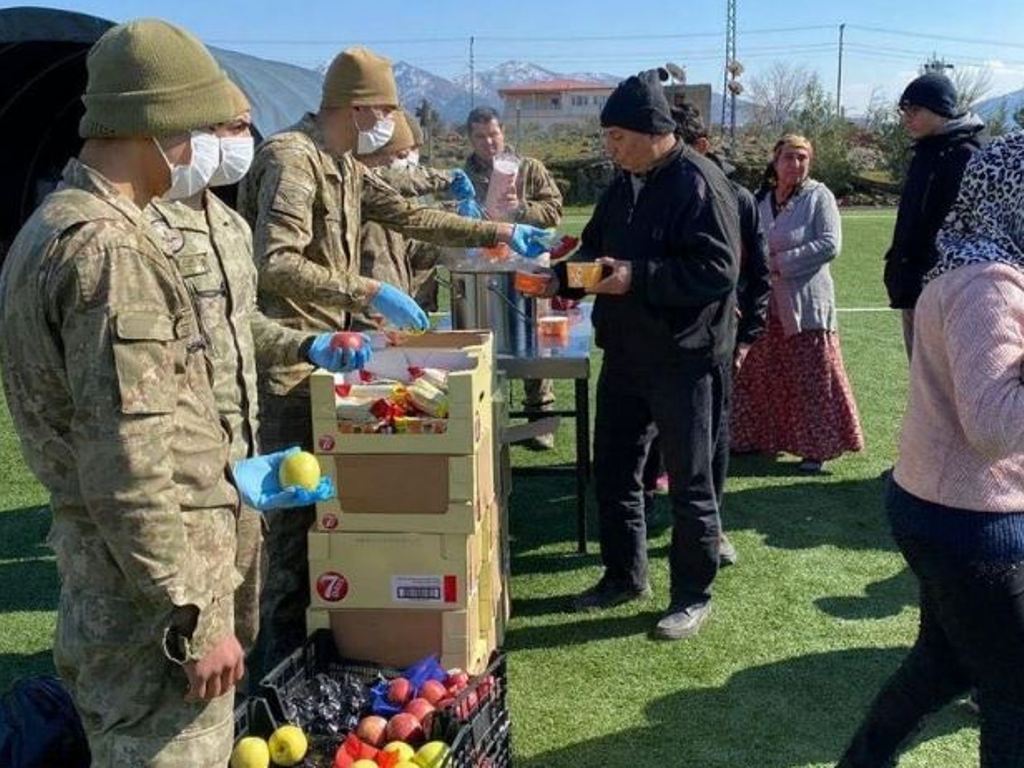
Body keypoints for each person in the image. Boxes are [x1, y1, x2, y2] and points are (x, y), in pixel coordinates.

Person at [0, 20, 322, 766]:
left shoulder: (56, 225)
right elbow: (128, 462)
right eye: (199, 128)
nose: (207, 147)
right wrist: (193, 616)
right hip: (150, 609)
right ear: (156, 124)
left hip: (116, 583)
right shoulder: (113, 253)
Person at [236, 46, 551, 672]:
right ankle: (273, 671)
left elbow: (409, 215)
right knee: (289, 542)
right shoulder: (293, 159)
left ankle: (320, 657)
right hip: (286, 365)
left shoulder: (342, 163)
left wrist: (498, 231)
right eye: (384, 112)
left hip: (330, 361)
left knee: (330, 520)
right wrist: (367, 291)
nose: (390, 124)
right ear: (358, 109)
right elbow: (274, 262)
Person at [144, 81, 367, 672]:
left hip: (238, 442)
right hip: (182, 465)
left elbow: (240, 323)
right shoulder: (142, 232)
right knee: (187, 640)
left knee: (255, 582)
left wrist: (309, 344)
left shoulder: (226, 224)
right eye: (233, 128)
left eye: (246, 126)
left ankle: (268, 679)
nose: (245, 141)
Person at [522, 69, 741, 640]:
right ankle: (623, 576)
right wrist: (559, 280)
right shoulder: (624, 184)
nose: (610, 147)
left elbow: (718, 270)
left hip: (684, 360)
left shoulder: (700, 182)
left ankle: (692, 596)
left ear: (651, 131)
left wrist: (638, 277)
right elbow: (596, 252)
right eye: (608, 137)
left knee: (690, 484)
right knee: (615, 471)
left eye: (617, 136)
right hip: (624, 353)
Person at [838, 132, 1024, 768]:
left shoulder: (976, 268)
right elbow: (995, 425)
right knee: (1014, 693)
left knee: (941, 665)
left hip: (944, 505)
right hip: (969, 517)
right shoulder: (986, 284)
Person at [729, 135, 863, 474]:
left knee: (813, 378)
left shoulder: (819, 197)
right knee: (758, 374)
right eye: (789, 157)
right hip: (764, 303)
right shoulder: (761, 199)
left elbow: (829, 244)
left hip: (805, 304)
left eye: (802, 157)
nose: (796, 164)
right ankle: (751, 438)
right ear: (775, 161)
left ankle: (817, 448)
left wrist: (777, 263)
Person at [463, 106, 564, 450]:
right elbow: (452, 218)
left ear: (502, 132)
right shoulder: (464, 175)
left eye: (493, 134)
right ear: (470, 138)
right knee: (482, 340)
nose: (488, 142)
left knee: (533, 336)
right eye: (480, 136)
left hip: (529, 264)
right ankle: (483, 421)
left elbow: (554, 210)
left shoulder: (529, 169)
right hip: (483, 268)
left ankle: (539, 418)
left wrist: (521, 208)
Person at [883, 72, 984, 359]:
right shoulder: (924, 152)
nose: (906, 118)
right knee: (921, 378)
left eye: (914, 110)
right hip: (913, 287)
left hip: (949, 290)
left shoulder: (967, 156)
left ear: (940, 109)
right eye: (904, 110)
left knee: (950, 378)